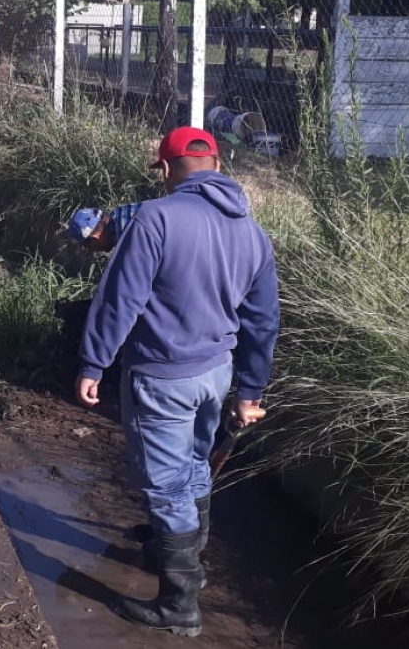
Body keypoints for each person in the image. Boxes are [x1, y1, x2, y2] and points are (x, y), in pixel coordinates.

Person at [75, 126, 279, 637]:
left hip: (163, 376)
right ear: (217, 165)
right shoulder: (252, 232)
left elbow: (120, 299)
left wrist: (93, 363)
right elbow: (263, 320)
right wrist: (251, 390)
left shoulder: (156, 217)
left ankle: (178, 605)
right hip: (217, 373)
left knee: (166, 489)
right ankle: (188, 562)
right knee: (192, 466)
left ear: (166, 170)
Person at [67, 202, 142, 253]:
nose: (95, 251)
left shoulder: (127, 239)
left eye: (89, 248)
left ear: (94, 238)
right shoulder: (120, 212)